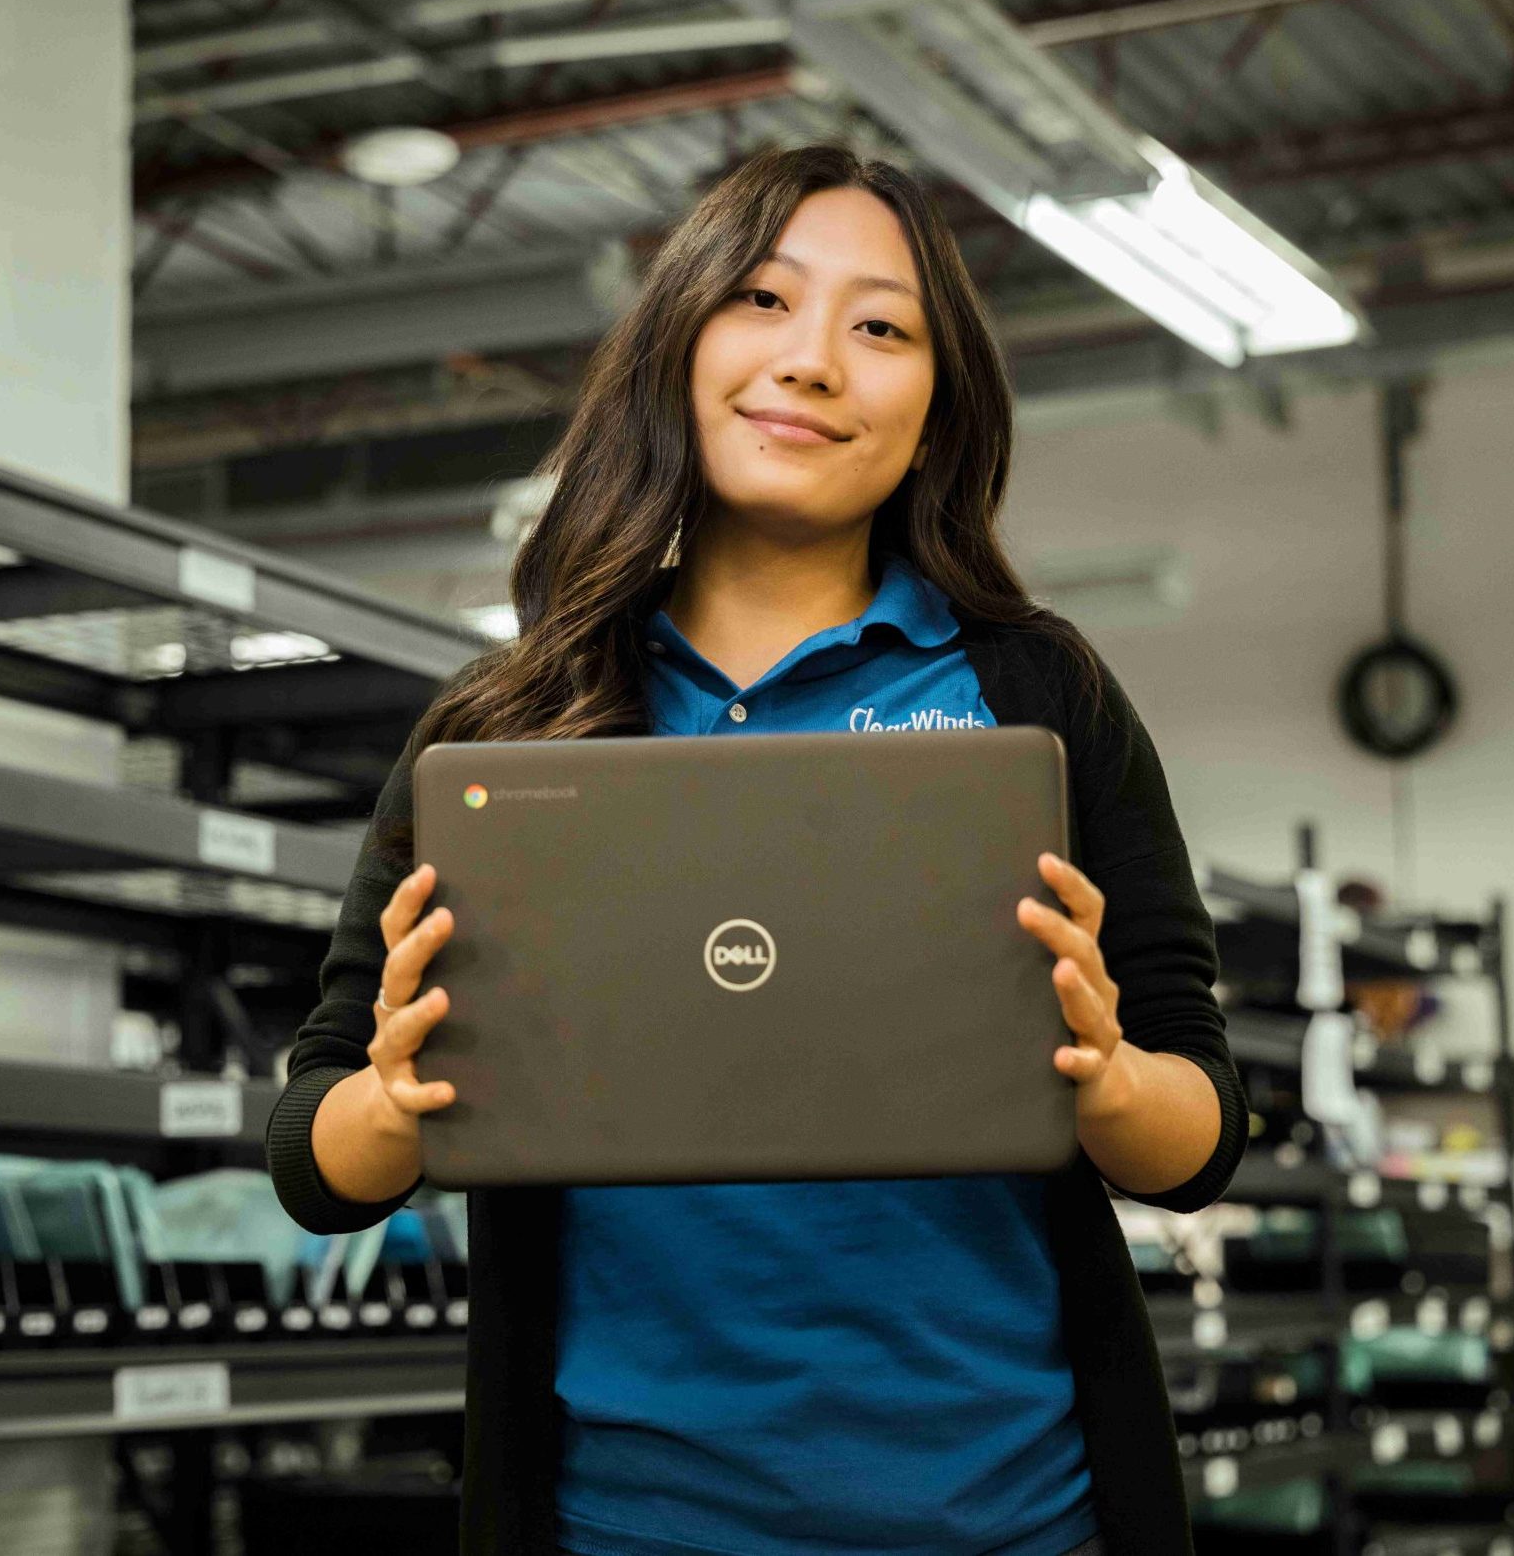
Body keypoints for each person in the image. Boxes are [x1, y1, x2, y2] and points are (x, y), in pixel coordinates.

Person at [267, 142, 1247, 1556]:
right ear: (679, 342)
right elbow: (313, 1144)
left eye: (882, 327)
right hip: (622, 1528)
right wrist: (399, 1104)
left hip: (1018, 1519)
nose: (815, 361)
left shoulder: (1037, 691)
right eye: (765, 301)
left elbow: (1200, 1129)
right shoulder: (507, 729)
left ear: (938, 404)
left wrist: (1104, 1080)